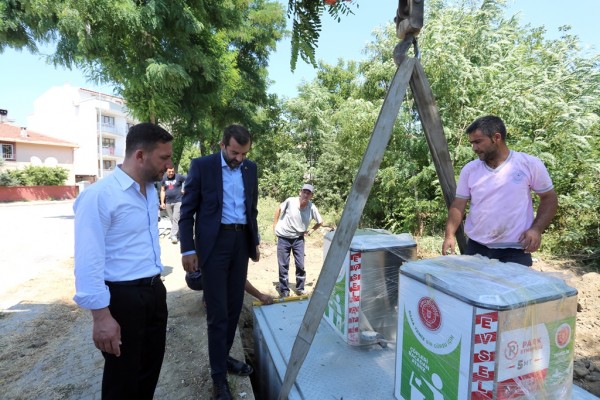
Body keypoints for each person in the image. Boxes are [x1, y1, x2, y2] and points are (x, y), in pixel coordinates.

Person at [73, 122, 173, 399]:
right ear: (140, 155)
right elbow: (88, 260)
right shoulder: (99, 196)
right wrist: (101, 316)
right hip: (123, 299)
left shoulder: (149, 190)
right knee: (123, 381)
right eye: (164, 158)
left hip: (154, 291)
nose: (169, 165)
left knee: (149, 372)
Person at [179, 124, 260, 400]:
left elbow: (252, 208)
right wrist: (188, 249)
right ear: (223, 145)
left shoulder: (250, 169)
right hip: (213, 246)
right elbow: (187, 212)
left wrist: (254, 241)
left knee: (234, 307)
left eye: (244, 154)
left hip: (240, 243)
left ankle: (223, 357)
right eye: (235, 153)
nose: (240, 158)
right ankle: (218, 379)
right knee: (217, 313)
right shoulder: (202, 166)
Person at [442, 115, 558, 266]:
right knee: (473, 282)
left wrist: (536, 229)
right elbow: (458, 204)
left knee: (515, 283)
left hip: (515, 250)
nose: (474, 148)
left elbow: (549, 199)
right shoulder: (470, 170)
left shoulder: (528, 164)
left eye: (478, 142)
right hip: (476, 247)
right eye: (472, 143)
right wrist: (449, 235)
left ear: (496, 137)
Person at [273, 183, 323, 297]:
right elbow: (278, 209)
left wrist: (310, 231)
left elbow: (320, 222)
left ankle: (300, 288)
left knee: (300, 265)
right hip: (284, 237)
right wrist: (274, 225)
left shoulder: (311, 207)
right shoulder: (290, 201)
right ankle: (284, 290)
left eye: (308, 193)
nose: (305, 194)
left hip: (298, 239)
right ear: (300, 192)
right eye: (304, 192)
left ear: (311, 196)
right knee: (283, 265)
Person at [160, 167, 185, 244]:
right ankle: (179, 234)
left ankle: (173, 236)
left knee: (176, 218)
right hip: (168, 202)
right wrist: (162, 202)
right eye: (169, 172)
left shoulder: (179, 176)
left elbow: (188, 180)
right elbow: (162, 190)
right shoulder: (164, 179)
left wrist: (184, 188)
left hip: (178, 201)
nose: (171, 173)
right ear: (166, 171)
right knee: (172, 219)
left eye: (172, 171)